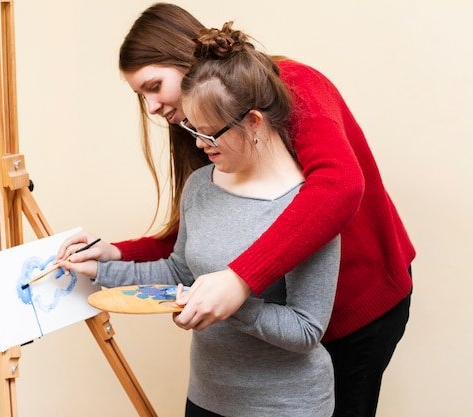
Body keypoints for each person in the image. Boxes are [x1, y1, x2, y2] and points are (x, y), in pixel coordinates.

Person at [58, 3, 415, 416]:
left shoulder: (292, 87)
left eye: (154, 86)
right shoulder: (208, 138)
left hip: (357, 302)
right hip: (266, 341)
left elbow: (339, 187)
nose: (151, 107)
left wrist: (240, 281)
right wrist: (117, 254)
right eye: (142, 96)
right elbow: (208, 229)